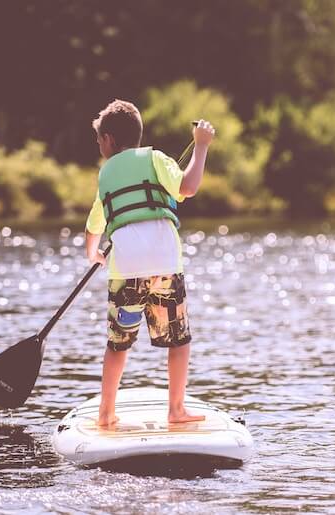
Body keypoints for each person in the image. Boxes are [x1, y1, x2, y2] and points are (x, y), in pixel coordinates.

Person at [85, 99, 214, 426]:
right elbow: (189, 186)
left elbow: (94, 225)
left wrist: (93, 253)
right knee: (178, 340)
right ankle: (176, 410)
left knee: (118, 344)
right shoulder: (156, 158)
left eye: (99, 138)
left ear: (111, 140)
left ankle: (105, 413)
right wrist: (200, 147)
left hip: (125, 270)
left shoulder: (105, 174)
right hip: (164, 265)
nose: (99, 144)